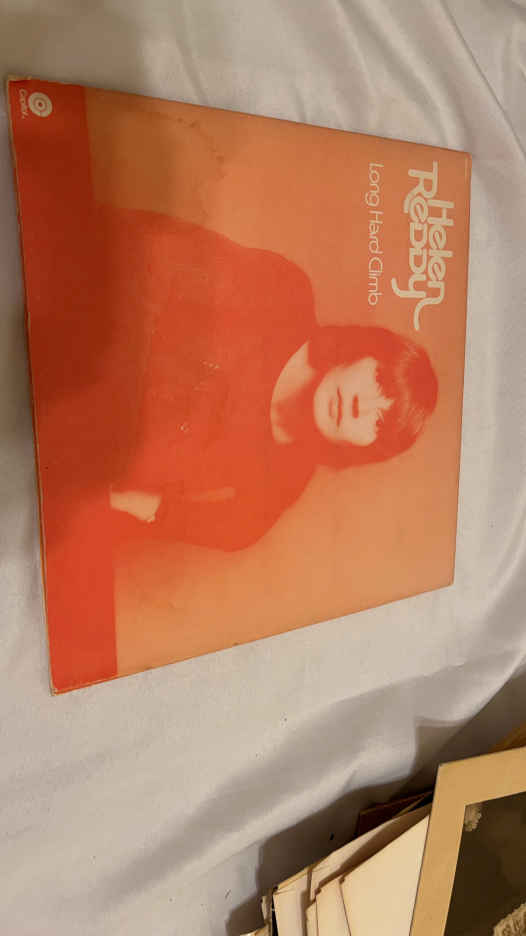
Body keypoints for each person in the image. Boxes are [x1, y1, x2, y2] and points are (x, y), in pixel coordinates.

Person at [89, 207, 439, 551]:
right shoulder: (287, 295)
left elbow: (234, 534)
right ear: (363, 351)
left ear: (365, 449)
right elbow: (158, 251)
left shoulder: (286, 477)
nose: (361, 405)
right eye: (379, 380)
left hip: (86, 449)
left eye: (379, 422)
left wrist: (128, 500)